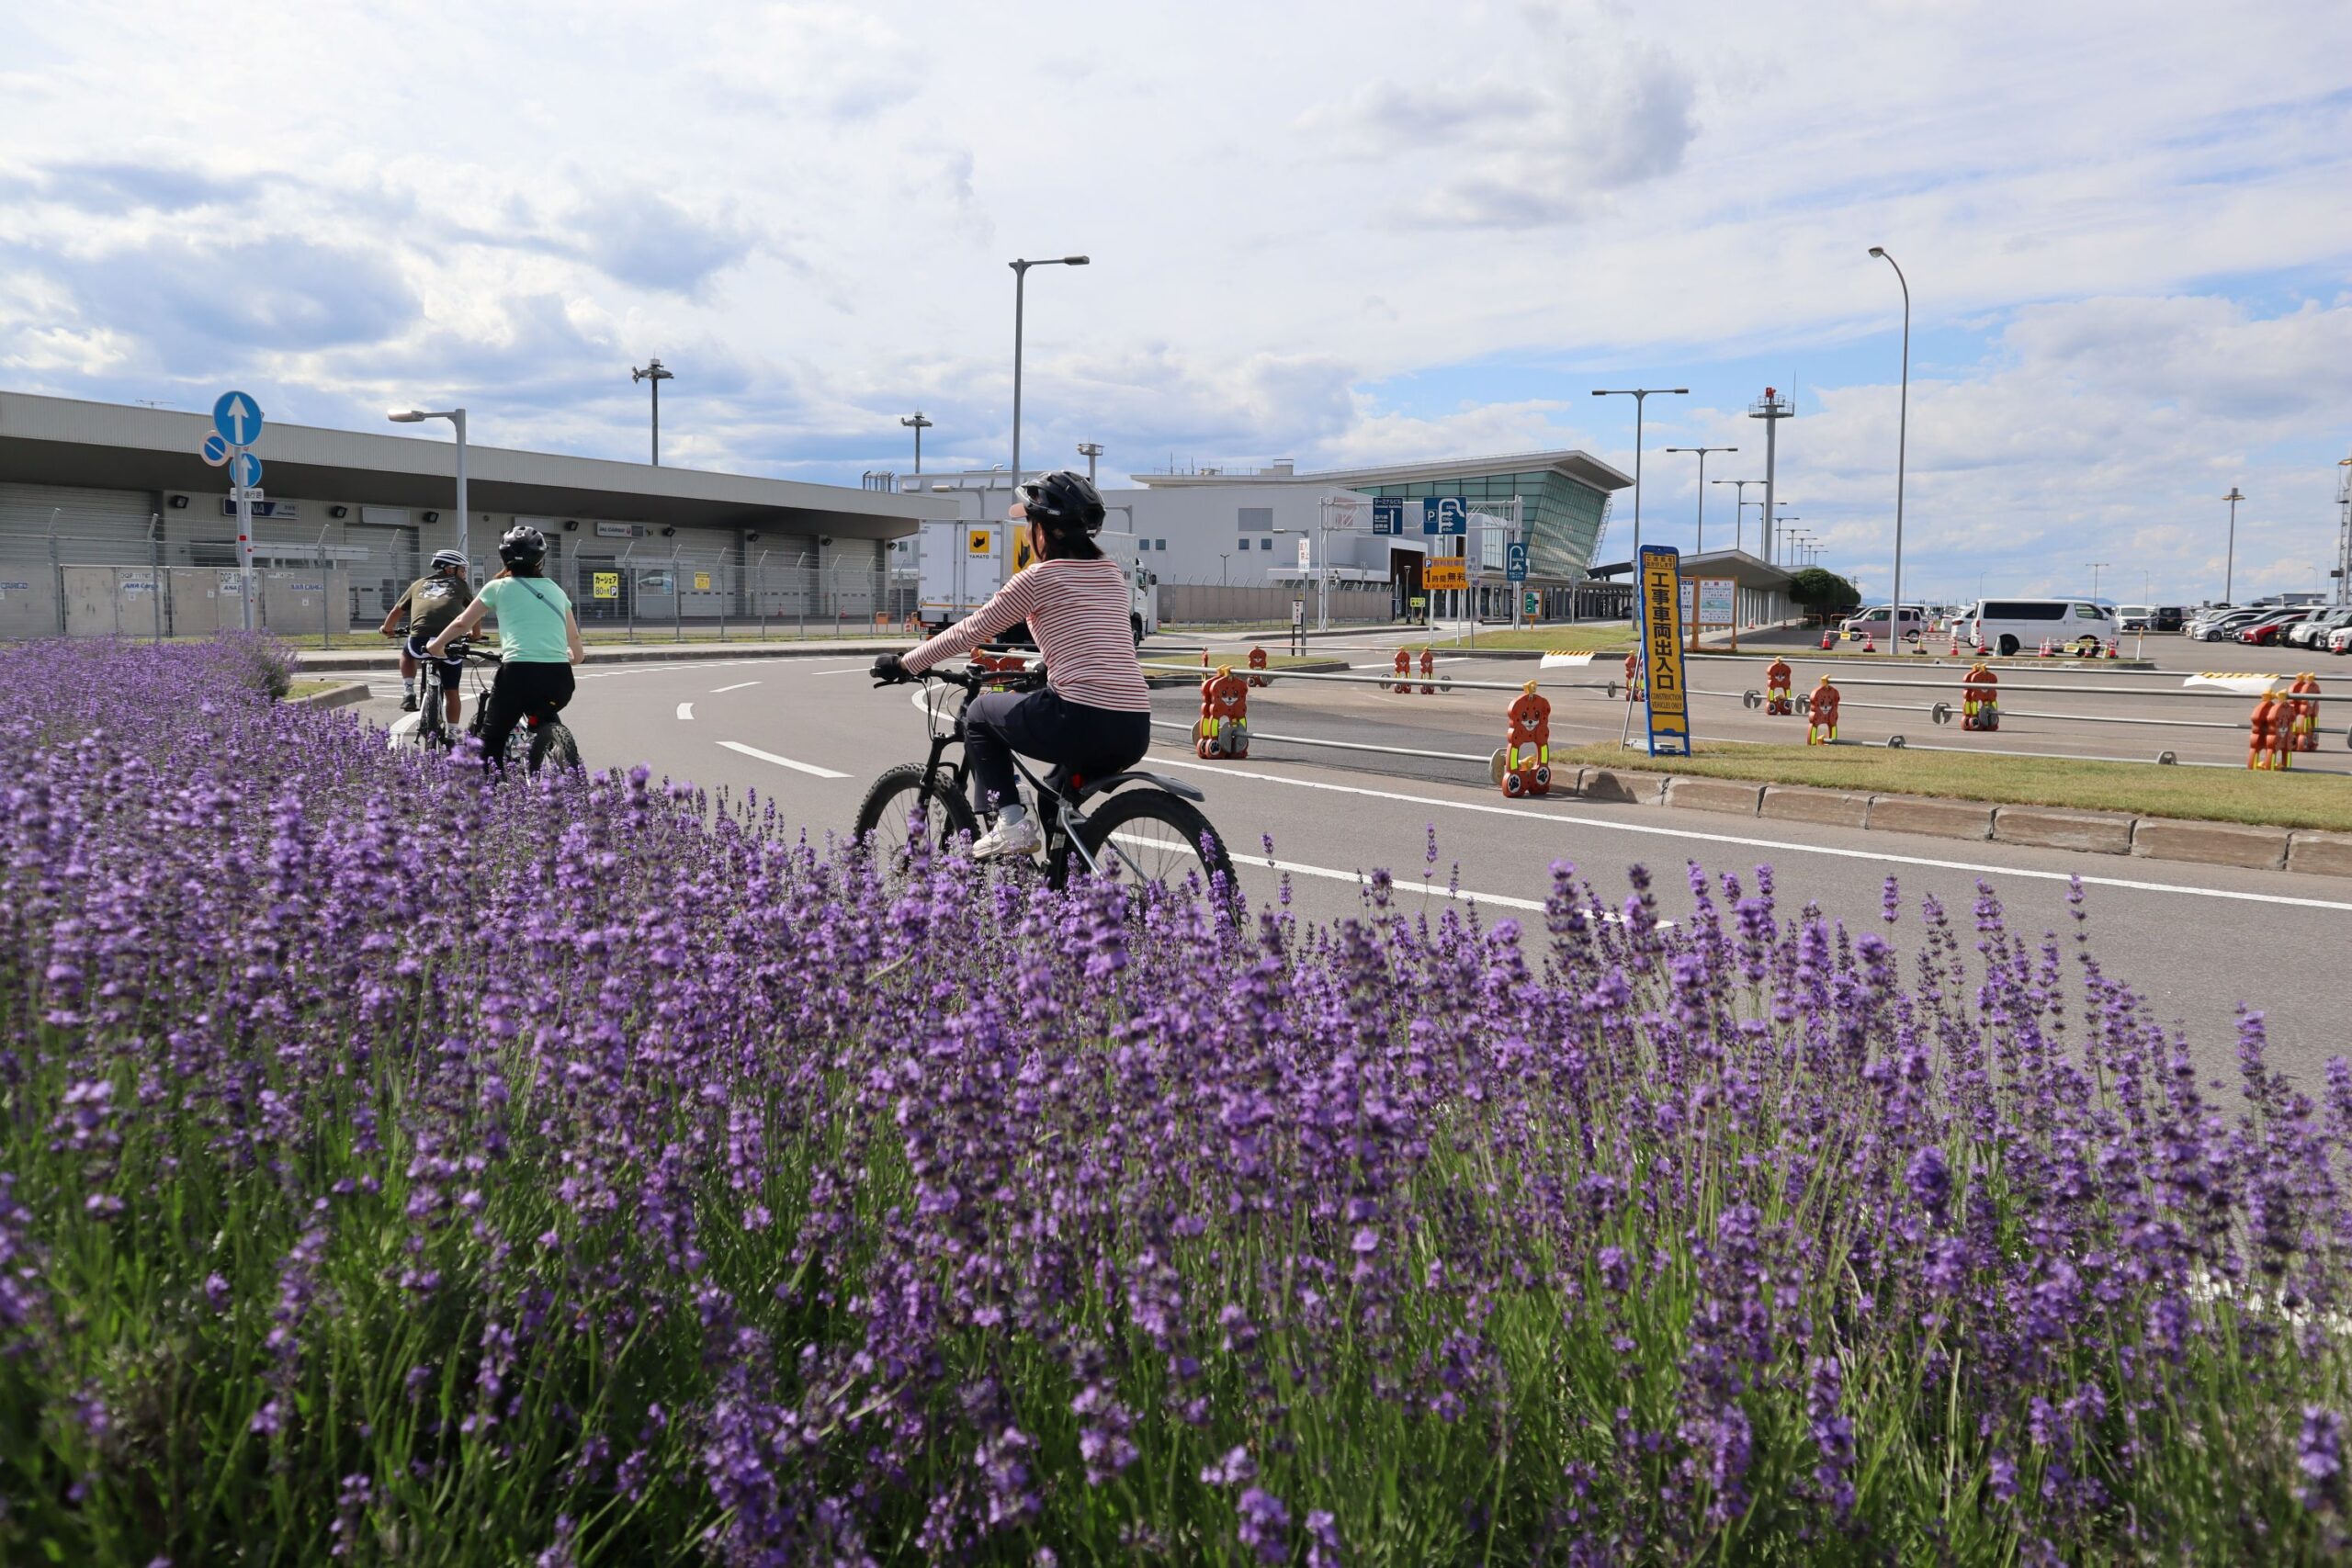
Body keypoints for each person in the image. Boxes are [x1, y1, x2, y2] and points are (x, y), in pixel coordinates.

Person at [871, 470, 1150, 859]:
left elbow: (970, 631)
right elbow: (1094, 643)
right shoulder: (1110, 576)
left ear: (1046, 531)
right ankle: (1065, 896)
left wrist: (905, 664)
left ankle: (1012, 822)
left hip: (1080, 718)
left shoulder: (1038, 578)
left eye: (1029, 523)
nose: (1027, 532)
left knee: (980, 714)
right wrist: (1046, 668)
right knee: (1054, 801)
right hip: (1133, 725)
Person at [427, 525, 585, 771]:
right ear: (541, 559)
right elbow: (573, 636)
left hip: (518, 675)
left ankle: (494, 793)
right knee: (545, 711)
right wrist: (575, 658)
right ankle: (559, 759)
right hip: (560, 677)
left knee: (492, 739)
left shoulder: (497, 587)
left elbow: (461, 623)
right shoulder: (555, 590)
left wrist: (437, 646)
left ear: (504, 556)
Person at [379, 549, 474, 720]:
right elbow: (474, 611)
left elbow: (396, 611)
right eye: (462, 569)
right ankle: (452, 733)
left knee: (407, 653)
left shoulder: (418, 584)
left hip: (419, 639)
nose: (465, 574)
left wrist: (387, 628)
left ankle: (408, 690)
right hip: (450, 641)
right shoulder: (460, 585)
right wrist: (475, 634)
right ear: (450, 569)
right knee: (452, 692)